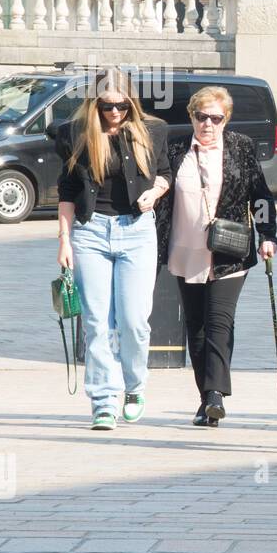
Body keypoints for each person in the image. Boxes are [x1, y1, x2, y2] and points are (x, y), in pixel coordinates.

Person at [52, 69, 171, 431]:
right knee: (96, 322)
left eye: (121, 105)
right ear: (95, 103)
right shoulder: (77, 134)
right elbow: (67, 192)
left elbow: (165, 172)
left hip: (136, 231)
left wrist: (156, 192)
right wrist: (64, 240)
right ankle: (104, 401)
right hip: (91, 232)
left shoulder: (153, 131)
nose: (115, 112)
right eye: (107, 106)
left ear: (131, 103)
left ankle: (134, 388)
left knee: (134, 321)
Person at [155, 86, 277, 427]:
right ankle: (204, 397)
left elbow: (261, 196)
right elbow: (159, 186)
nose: (207, 124)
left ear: (226, 120)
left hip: (229, 252)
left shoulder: (241, 147)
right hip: (184, 248)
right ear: (191, 117)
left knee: (219, 321)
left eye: (215, 118)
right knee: (196, 325)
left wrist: (268, 235)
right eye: (201, 117)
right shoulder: (176, 148)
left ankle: (215, 395)